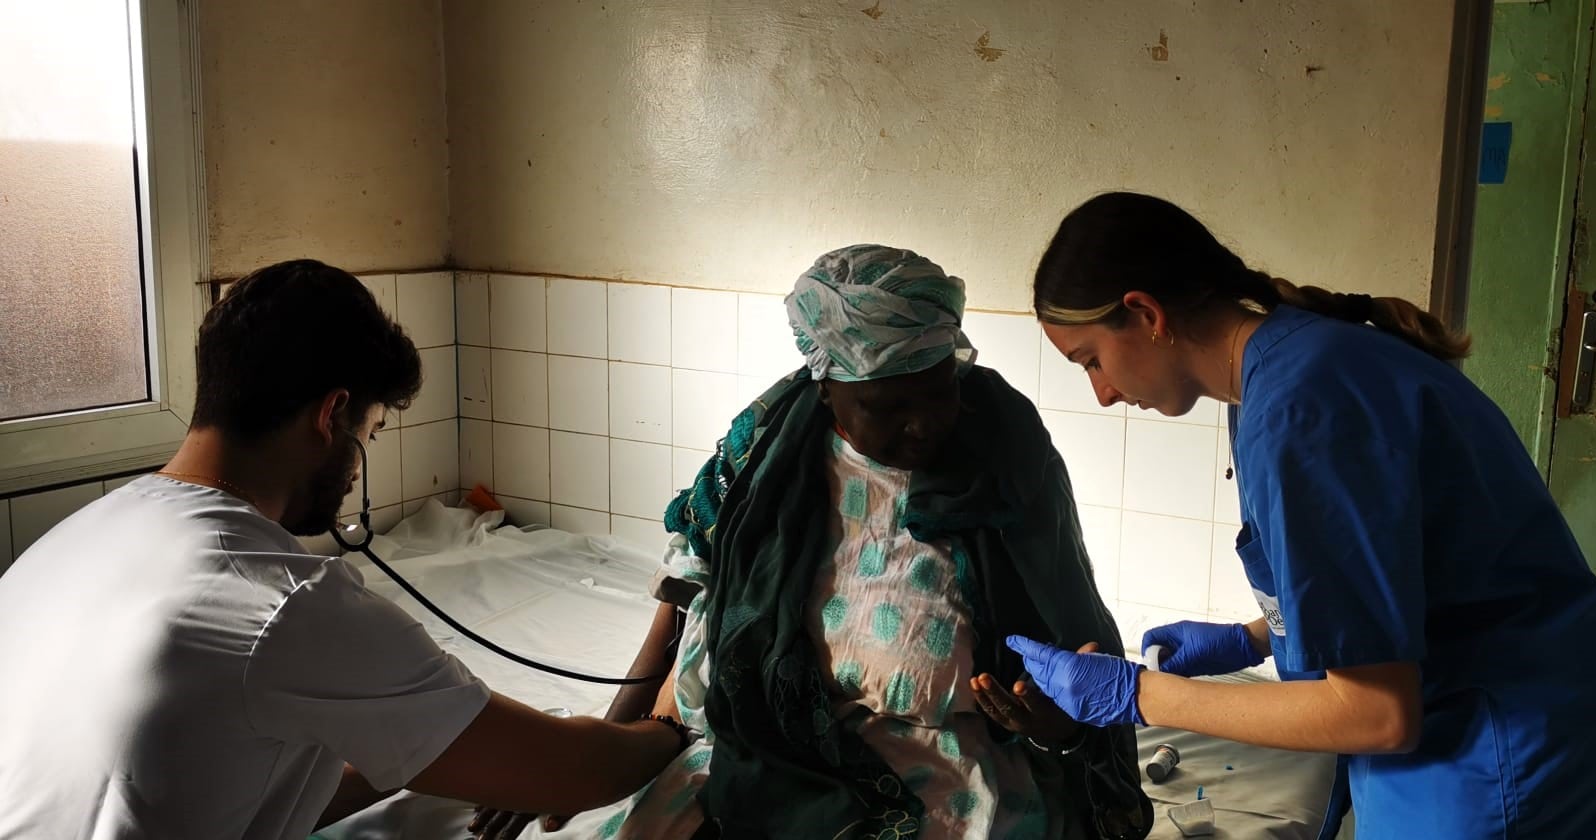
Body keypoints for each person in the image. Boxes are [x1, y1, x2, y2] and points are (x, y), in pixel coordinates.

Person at [1002, 193, 1596, 839]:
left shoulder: (1298, 408)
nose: (1102, 393)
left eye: (1091, 360)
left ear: (1146, 314)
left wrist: (1138, 695)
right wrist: (1256, 637)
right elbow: (1397, 570)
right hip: (1523, 728)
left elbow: (1377, 714)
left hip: (1499, 766)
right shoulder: (1284, 371)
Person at [474, 245, 1151, 840]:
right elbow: (686, 601)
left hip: (958, 765)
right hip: (779, 744)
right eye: (888, 407)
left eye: (939, 393)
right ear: (828, 391)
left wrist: (1058, 729)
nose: (922, 425)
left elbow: (1068, 623)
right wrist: (587, 759)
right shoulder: (765, 458)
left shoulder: (1005, 452)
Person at [0, 260, 685, 840]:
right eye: (371, 433)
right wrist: (671, 724)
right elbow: (579, 776)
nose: (358, 468)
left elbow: (235, 773)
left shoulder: (73, 541)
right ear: (332, 415)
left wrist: (454, 753)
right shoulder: (289, 604)